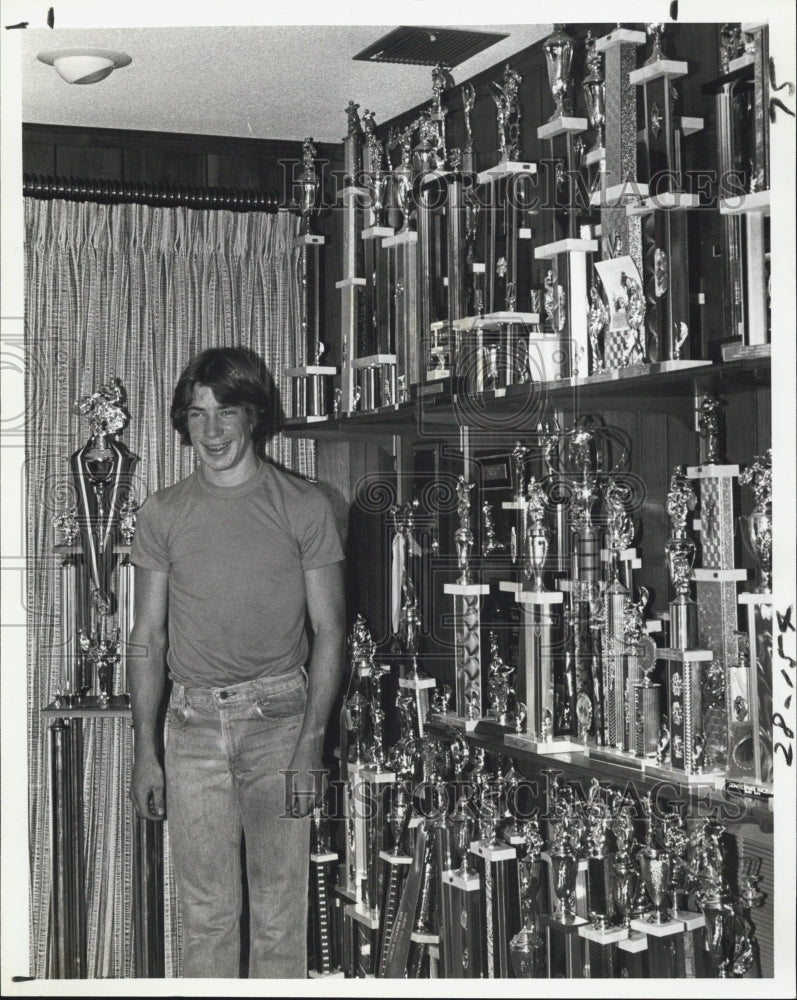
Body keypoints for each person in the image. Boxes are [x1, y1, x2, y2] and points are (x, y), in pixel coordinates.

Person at [128, 347, 345, 979]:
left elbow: (330, 633)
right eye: (197, 416)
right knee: (205, 917)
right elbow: (146, 635)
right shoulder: (161, 514)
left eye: (227, 413)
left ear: (254, 416)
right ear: (183, 422)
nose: (213, 431)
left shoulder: (304, 505)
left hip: (280, 722)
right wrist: (147, 747)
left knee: (280, 916)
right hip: (192, 728)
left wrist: (312, 742)